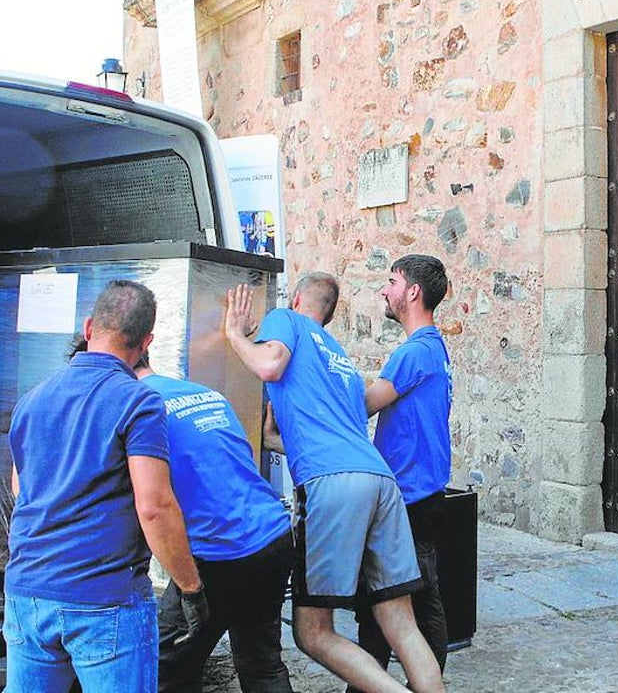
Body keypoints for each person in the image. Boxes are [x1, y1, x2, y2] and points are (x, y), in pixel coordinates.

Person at [223, 273, 445, 693]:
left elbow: (268, 365)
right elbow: (329, 435)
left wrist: (236, 334)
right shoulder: (339, 358)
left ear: (298, 298)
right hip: (379, 480)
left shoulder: (284, 320)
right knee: (402, 624)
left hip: (333, 485)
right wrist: (273, 435)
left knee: (312, 633)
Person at [4, 280, 208, 692]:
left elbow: (21, 492)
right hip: (103, 599)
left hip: (28, 592)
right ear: (147, 341)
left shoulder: (33, 399)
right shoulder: (138, 400)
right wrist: (191, 588)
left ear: (89, 326)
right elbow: (154, 506)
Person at [135, 351, 295, 693]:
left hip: (220, 553)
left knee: (163, 670)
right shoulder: (203, 393)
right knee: (262, 664)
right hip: (272, 535)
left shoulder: (136, 408)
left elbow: (152, 505)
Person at [350, 255, 454, 693]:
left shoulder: (413, 353)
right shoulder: (434, 347)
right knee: (400, 597)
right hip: (420, 492)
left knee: (407, 598)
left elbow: (367, 403)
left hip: (408, 496)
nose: (384, 290)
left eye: (391, 281)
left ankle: (418, 684)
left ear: (413, 291)